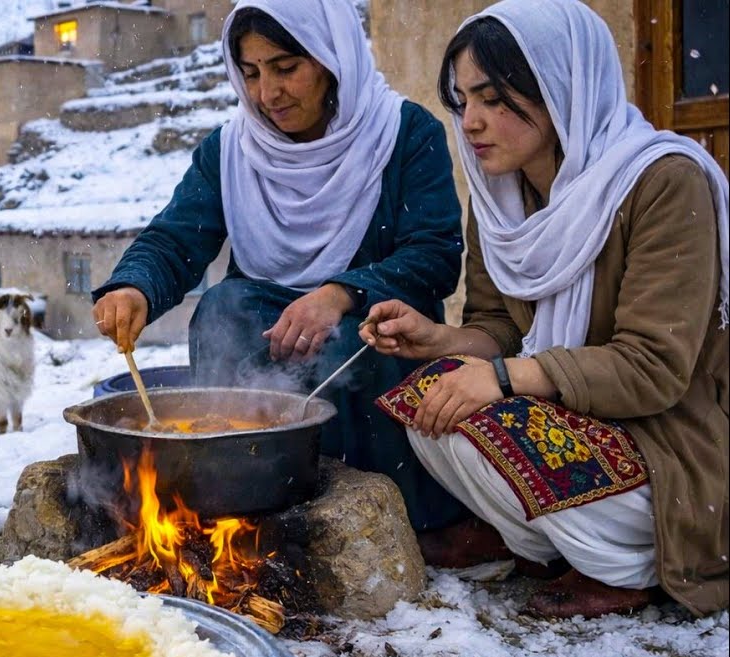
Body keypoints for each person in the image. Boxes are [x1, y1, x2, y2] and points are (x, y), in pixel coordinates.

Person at [360, 0, 728, 619]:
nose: (471, 122)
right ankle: (541, 543)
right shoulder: (501, 198)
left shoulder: (661, 181)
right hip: (570, 419)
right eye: (462, 101)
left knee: (481, 418)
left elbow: (652, 368)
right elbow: (501, 330)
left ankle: (635, 564)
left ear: (561, 87)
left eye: (494, 99)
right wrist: (441, 342)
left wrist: (500, 378)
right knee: (428, 399)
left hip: (667, 443)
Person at [91, 0, 468, 531]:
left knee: (361, 338)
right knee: (226, 307)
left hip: (377, 333)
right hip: (270, 328)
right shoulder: (231, 150)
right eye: (250, 73)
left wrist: (339, 294)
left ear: (330, 60)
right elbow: (176, 237)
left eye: (286, 68)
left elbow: (433, 253)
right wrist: (135, 287)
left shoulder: (402, 134)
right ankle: (242, 497)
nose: (267, 94)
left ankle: (386, 518)